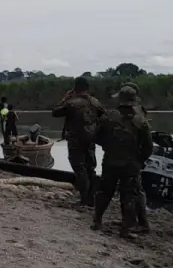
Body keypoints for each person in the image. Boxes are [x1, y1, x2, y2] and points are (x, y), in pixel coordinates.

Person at [94, 88, 153, 238]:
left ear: (120, 99)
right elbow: (148, 147)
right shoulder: (141, 122)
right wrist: (140, 160)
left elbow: (96, 136)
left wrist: (108, 147)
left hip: (110, 160)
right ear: (134, 101)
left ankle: (97, 221)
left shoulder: (107, 117)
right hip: (131, 163)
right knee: (128, 195)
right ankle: (126, 228)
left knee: (104, 191)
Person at [51, 77, 105, 207]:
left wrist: (65, 98)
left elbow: (55, 112)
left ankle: (84, 199)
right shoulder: (96, 102)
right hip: (91, 139)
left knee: (79, 168)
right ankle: (91, 199)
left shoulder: (72, 103)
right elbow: (104, 118)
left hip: (76, 139)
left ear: (75, 88)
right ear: (87, 88)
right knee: (91, 168)